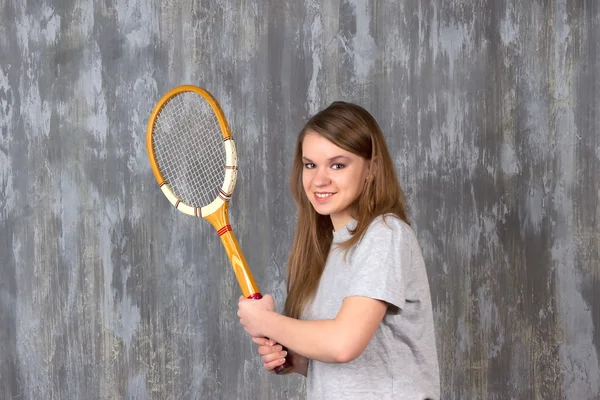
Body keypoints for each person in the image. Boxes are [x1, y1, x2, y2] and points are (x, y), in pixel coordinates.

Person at [237, 101, 440, 399]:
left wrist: (266, 322)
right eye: (310, 165)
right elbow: (355, 364)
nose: (320, 180)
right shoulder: (326, 248)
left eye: (337, 165)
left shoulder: (384, 234)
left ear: (371, 168)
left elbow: (343, 344)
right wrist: (299, 360)